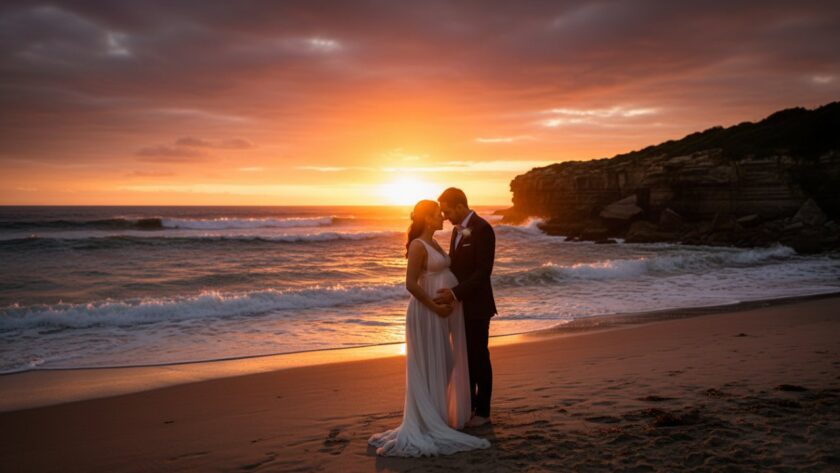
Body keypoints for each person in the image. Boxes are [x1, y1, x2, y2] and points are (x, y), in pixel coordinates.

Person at [368, 200, 490, 457]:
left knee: (444, 361)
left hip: (442, 313)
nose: (443, 218)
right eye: (438, 215)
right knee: (431, 363)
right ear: (427, 219)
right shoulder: (418, 245)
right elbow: (411, 284)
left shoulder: (435, 242)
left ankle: (438, 415)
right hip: (426, 313)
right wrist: (436, 308)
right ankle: (427, 420)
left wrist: (453, 297)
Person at [433, 187, 497, 427]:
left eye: (447, 210)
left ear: (460, 206)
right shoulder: (456, 232)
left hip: (478, 306)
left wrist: (454, 293)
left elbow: (483, 273)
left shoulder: (483, 229)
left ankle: (483, 412)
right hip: (459, 305)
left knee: (479, 357)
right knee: (465, 358)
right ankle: (467, 407)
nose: (445, 216)